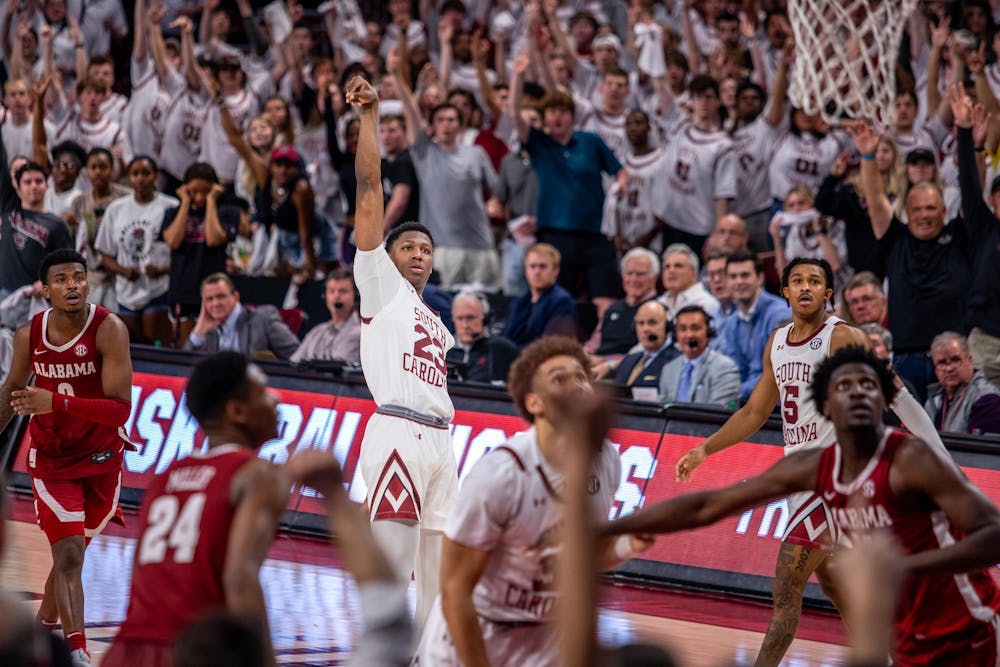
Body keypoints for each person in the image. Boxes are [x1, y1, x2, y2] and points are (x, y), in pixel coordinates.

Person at [607, 345, 1000, 667]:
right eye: (845, 385)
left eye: (868, 384)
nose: (858, 392)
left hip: (968, 628)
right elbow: (709, 505)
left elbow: (993, 534)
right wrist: (611, 529)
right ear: (826, 406)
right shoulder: (813, 466)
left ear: (883, 400)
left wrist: (905, 567)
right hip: (910, 634)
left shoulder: (911, 459)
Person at [674, 257, 943, 667]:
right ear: (784, 291)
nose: (805, 287)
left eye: (814, 281)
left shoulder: (842, 338)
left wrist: (939, 455)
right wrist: (705, 449)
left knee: (786, 587)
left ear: (827, 292)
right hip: (803, 480)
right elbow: (753, 412)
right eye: (796, 280)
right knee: (838, 587)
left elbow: (896, 394)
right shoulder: (778, 342)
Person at [413, 336, 652, 666]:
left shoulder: (607, 460)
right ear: (534, 403)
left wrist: (628, 545)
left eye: (581, 377)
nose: (576, 386)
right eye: (559, 379)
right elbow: (455, 592)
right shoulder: (501, 474)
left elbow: (576, 556)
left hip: (541, 642)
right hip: (472, 637)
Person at [348, 75, 458, 631]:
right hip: (397, 430)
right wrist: (370, 116)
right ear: (388, 258)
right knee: (391, 571)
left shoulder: (437, 321)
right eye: (408, 247)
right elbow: (371, 189)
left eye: (425, 249)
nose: (418, 253)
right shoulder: (381, 285)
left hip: (443, 440)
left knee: (440, 583)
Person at [102, 352, 289, 666]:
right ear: (238, 411)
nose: (276, 398)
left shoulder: (165, 477)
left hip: (127, 648)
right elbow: (240, 579)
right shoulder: (257, 474)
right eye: (264, 393)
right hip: (196, 652)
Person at [0, 249, 133, 667]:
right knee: (70, 554)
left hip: (102, 458)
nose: (72, 285)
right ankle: (77, 650)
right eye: (61, 279)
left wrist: (54, 401)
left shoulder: (109, 329)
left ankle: (38, 636)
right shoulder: (29, 335)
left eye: (78, 277)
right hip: (52, 460)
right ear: (45, 290)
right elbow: (10, 393)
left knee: (69, 558)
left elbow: (119, 409)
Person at [851, 120, 970, 402]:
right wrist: (868, 156)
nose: (924, 215)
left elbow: (973, 192)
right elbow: (876, 200)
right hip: (905, 360)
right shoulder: (896, 238)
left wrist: (970, 141)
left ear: (944, 210)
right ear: (906, 211)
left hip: (953, 357)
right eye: (917, 209)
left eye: (931, 208)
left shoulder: (959, 236)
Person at [510, 53, 625, 318]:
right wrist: (517, 76)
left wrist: (621, 193)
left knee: (605, 300)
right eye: (551, 112)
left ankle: (603, 346)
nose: (556, 117)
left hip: (597, 233)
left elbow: (620, 172)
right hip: (556, 234)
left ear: (572, 116)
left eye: (562, 112)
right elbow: (515, 115)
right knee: (559, 301)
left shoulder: (591, 141)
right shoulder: (539, 144)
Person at [395, 62, 500, 290]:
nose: (446, 125)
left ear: (460, 124)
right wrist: (417, 87)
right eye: (440, 120)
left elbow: (497, 191)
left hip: (481, 245)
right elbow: (410, 112)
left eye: (451, 119)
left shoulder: (476, 154)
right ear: (432, 125)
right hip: (441, 247)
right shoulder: (425, 152)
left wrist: (496, 202)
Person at [94, 156, 178, 346]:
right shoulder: (116, 208)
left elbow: (182, 251)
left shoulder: (170, 206)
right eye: (135, 173)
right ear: (129, 178)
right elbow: (105, 254)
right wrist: (123, 270)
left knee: (157, 349)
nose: (141, 179)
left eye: (146, 173)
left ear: (155, 176)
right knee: (129, 349)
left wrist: (164, 269)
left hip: (158, 289)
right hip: (126, 291)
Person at [159, 162, 240, 347]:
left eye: (206, 191)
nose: (200, 197)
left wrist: (212, 202)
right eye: (193, 191)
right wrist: (185, 204)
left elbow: (213, 239)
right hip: (182, 292)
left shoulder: (227, 213)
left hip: (214, 294)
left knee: (213, 350)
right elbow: (173, 241)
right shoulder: (172, 213)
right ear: (185, 189)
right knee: (185, 349)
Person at [0, 135, 72, 297]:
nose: (34, 186)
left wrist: (47, 282)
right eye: (27, 182)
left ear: (47, 186)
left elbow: (67, 265)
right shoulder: (8, 208)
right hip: (4, 294)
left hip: (37, 298)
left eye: (39, 181)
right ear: (17, 186)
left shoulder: (57, 224)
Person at [717, 248, 791, 403]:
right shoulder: (731, 323)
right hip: (746, 403)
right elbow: (734, 370)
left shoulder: (780, 315)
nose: (738, 282)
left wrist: (735, 392)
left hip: (777, 406)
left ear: (759, 278)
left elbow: (778, 374)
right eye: (733, 277)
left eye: (745, 275)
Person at [183, 273, 300, 360]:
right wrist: (198, 333)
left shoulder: (262, 319)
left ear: (235, 297)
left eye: (221, 296)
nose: (215, 303)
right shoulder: (207, 330)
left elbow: (297, 356)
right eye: (209, 299)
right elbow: (184, 366)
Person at [587, 247, 659, 361]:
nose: (633, 279)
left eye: (640, 274)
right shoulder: (612, 308)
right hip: (597, 365)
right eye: (629, 273)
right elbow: (593, 345)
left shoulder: (658, 308)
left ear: (654, 278)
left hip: (627, 370)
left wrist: (608, 362)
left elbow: (650, 353)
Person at [658, 305, 739, 407]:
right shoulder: (669, 369)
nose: (689, 335)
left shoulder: (725, 368)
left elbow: (721, 413)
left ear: (708, 331)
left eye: (695, 328)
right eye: (683, 329)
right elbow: (662, 407)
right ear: (676, 334)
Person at [501, 243, 578, 348]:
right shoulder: (519, 302)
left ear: (556, 270)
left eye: (543, 266)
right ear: (526, 271)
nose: (537, 272)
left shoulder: (562, 301)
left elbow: (555, 344)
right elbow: (505, 337)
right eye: (532, 266)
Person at [924, 332, 1000, 435]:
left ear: (970, 361)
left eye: (955, 360)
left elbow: (984, 448)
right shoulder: (934, 400)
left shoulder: (986, 399)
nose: (949, 368)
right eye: (942, 363)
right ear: (935, 368)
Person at [607, 300, 680, 399]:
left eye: (652, 323)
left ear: (667, 327)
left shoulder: (676, 362)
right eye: (641, 323)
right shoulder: (629, 360)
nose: (645, 329)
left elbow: (670, 400)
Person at [445, 291, 519, 384]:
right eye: (460, 318)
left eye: (470, 318)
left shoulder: (503, 350)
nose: (465, 325)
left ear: (485, 318)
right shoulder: (443, 350)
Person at [290, 269, 362, 364]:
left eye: (343, 291)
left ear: (356, 297)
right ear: (325, 297)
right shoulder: (316, 331)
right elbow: (292, 364)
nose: (336, 296)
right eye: (332, 291)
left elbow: (336, 369)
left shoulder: (359, 333)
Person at [657, 243, 720, 320]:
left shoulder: (706, 304)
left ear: (694, 274)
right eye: (667, 267)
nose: (671, 270)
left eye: (678, 266)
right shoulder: (659, 303)